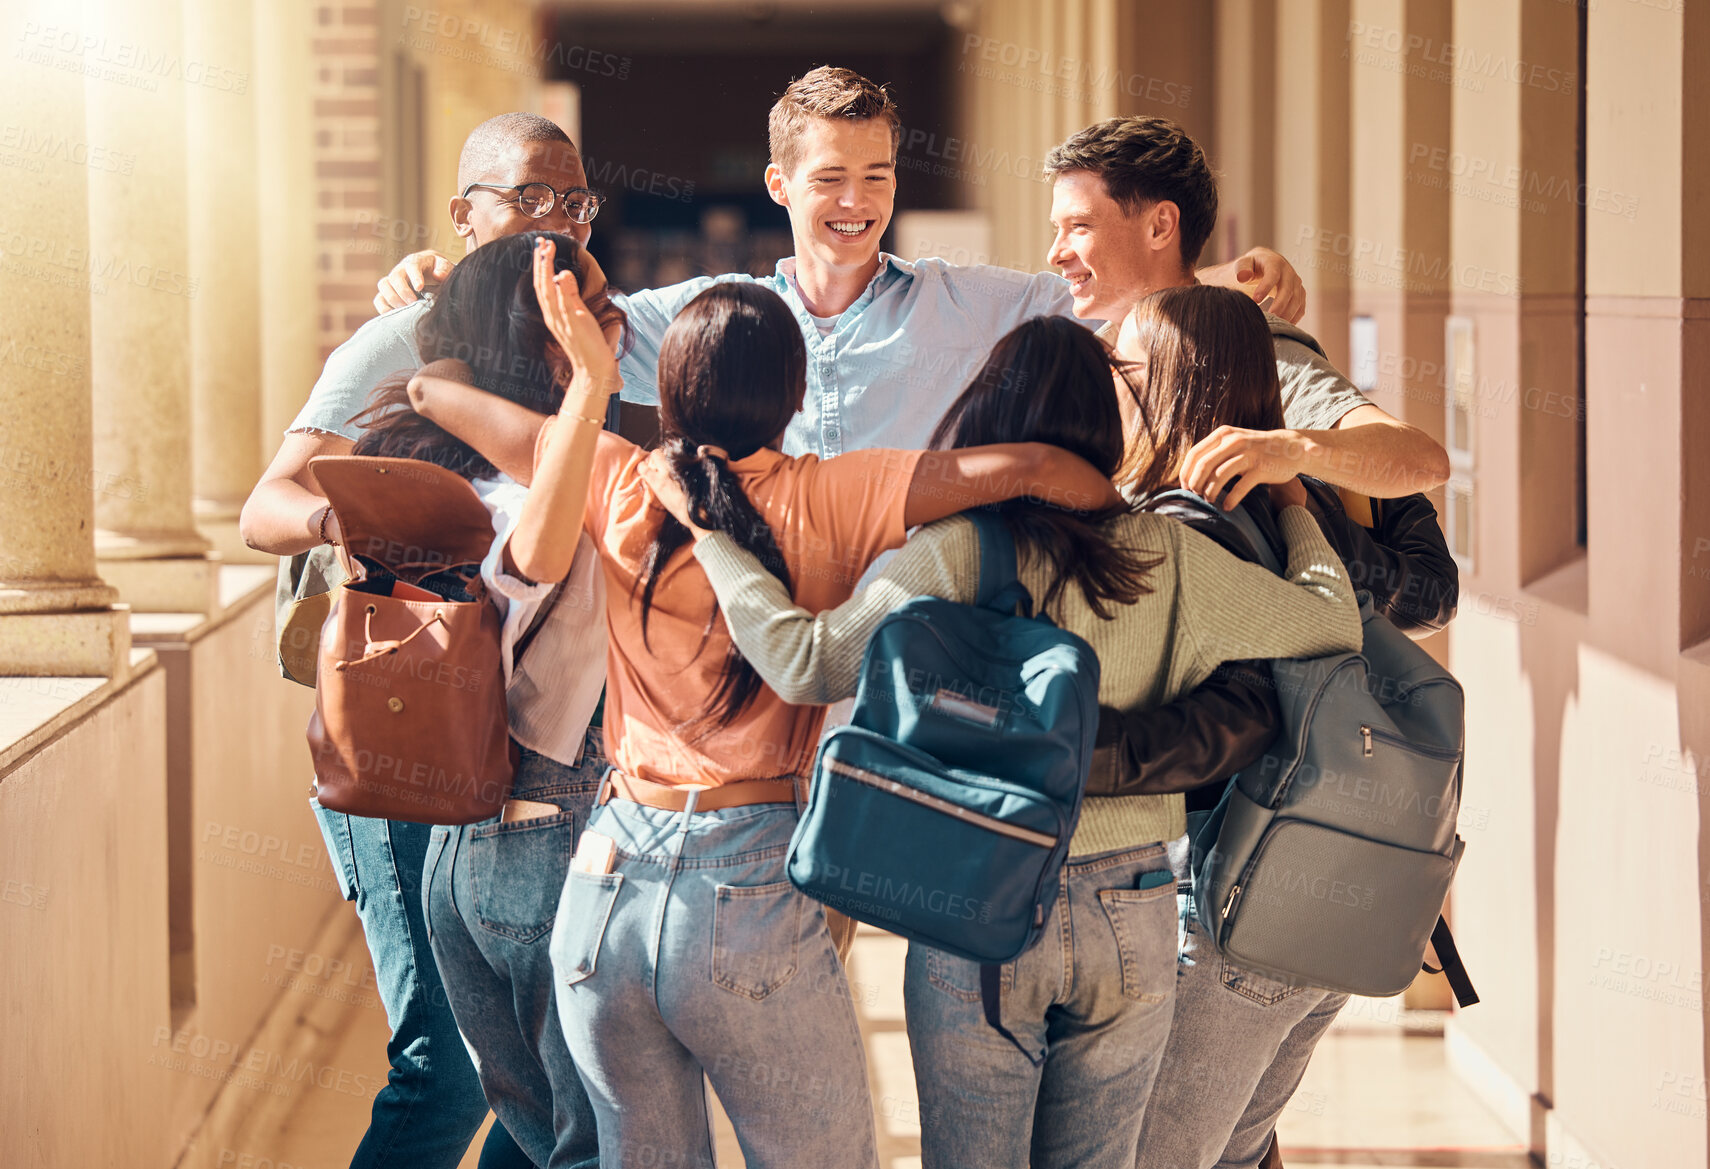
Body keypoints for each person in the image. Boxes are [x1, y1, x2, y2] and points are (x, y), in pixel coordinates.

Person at [405, 236, 1123, 1168]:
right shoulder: (839, 490)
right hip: (742, 884)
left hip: (605, 878)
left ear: (667, 391)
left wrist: (576, 364)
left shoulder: (623, 477)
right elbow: (1035, 468)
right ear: (793, 396)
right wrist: (1112, 502)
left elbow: (431, 395)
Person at [636, 301, 1368, 1169]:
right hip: (1131, 907)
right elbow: (1333, 623)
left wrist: (712, 536)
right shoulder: (1170, 554)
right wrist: (1293, 503)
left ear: (988, 413)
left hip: (975, 890)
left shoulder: (951, 552)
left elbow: (805, 662)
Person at [237, 112, 600, 1169]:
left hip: (505, 748)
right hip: (392, 732)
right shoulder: (400, 337)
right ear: (465, 213)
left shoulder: (577, 328)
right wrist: (364, 515)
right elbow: (265, 507)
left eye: (574, 201)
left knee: (534, 1064)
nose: (554, 221)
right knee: (443, 1063)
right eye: (528, 196)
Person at [375, 67, 1304, 460]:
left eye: (878, 174)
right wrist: (433, 276)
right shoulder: (708, 314)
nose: (857, 200)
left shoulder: (964, 303)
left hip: (904, 654)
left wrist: (1231, 282)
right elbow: (554, 313)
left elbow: (1104, 297)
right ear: (779, 185)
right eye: (830, 178)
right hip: (755, 661)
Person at [1098, 289, 1458, 1169]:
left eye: (1125, 368)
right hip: (1325, 909)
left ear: (1168, 386)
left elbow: (1217, 716)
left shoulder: (1182, 527)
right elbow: (1405, 591)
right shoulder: (1298, 510)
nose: (1110, 384)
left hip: (1232, 908)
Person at [341, 230, 627, 1168]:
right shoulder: (520, 489)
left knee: (534, 1135)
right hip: (542, 852)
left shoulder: (431, 474)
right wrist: (589, 390)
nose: (612, 318)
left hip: (463, 863)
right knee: (581, 1142)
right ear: (541, 334)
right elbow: (533, 563)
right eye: (584, 307)